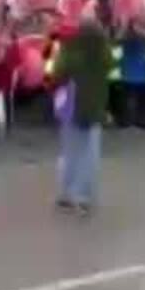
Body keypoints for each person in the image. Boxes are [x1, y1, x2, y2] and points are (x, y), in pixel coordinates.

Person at [47, 11, 113, 214]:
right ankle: (85, 196)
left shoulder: (70, 50)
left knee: (70, 151)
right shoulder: (104, 54)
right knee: (90, 152)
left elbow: (57, 73)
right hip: (94, 106)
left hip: (70, 105)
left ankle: (67, 194)